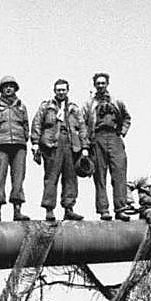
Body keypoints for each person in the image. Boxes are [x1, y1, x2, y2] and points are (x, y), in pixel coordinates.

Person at [30, 79, 89, 223]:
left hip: (70, 145)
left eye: (63, 90)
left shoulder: (74, 108)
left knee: (70, 178)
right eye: (58, 90)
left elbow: (82, 127)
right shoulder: (46, 106)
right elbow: (37, 123)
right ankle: (49, 210)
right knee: (51, 177)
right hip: (52, 145)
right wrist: (35, 143)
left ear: (68, 91)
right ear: (54, 91)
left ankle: (69, 209)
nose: (61, 92)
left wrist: (85, 147)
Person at [82, 72, 132, 221]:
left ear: (107, 84)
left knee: (119, 174)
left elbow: (127, 117)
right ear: (94, 85)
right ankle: (103, 209)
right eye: (98, 83)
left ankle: (121, 208)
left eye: (103, 83)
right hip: (97, 139)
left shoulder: (117, 101)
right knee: (99, 176)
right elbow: (83, 124)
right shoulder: (89, 104)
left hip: (114, 137)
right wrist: (86, 144)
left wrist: (122, 132)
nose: (101, 86)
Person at [0, 75, 30, 221]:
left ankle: (17, 209)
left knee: (18, 178)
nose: (8, 88)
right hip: (0, 145)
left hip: (18, 145)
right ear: (1, 89)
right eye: (6, 86)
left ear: (15, 88)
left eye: (11, 86)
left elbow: (26, 125)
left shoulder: (21, 106)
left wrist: (24, 139)